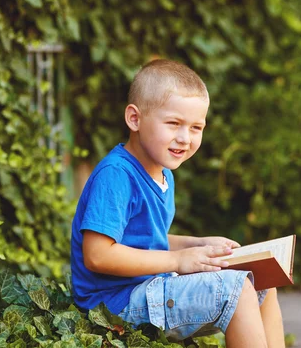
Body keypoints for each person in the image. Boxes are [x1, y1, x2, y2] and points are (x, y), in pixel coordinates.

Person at [70, 59, 285, 347]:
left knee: (261, 280)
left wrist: (197, 245)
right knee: (236, 290)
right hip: (114, 304)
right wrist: (177, 261)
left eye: (196, 127)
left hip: (145, 289)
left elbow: (143, 240)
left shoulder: (163, 173)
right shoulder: (117, 175)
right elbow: (98, 254)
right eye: (173, 123)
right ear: (134, 119)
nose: (185, 138)